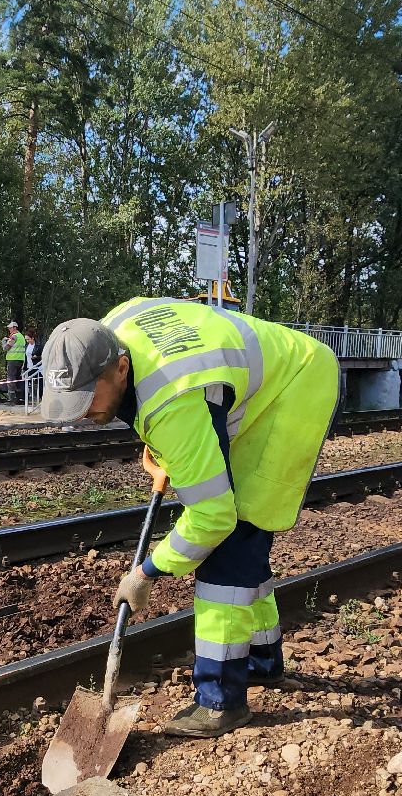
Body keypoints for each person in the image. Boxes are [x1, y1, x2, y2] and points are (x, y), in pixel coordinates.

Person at [39, 297, 340, 738]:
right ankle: (261, 663)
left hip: (295, 388)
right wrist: (169, 450)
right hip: (244, 382)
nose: (81, 413)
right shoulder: (99, 337)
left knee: (233, 541)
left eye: (87, 398)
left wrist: (148, 571)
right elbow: (170, 402)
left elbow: (213, 516)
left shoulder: (170, 402)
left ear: (121, 369)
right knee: (241, 541)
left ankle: (221, 702)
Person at [3, 321, 27, 403]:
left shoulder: (14, 337)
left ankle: (11, 399)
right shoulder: (21, 337)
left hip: (13, 360)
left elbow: (6, 348)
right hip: (20, 360)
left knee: (11, 379)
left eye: (10, 328)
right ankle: (19, 397)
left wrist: (4, 342)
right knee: (18, 379)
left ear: (14, 328)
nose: (9, 329)